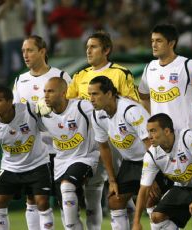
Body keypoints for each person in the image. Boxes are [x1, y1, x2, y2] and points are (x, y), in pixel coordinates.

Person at [66, 31, 139, 229]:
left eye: (94, 46)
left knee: (122, 190)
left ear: (106, 50)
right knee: (93, 188)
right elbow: (69, 107)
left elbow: (133, 104)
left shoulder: (119, 73)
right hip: (86, 142)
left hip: (115, 140)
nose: (88, 50)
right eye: (87, 47)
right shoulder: (80, 75)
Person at [12, 35, 71, 229]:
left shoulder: (61, 77)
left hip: (60, 148)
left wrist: (53, 109)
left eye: (30, 50)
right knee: (33, 199)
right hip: (34, 151)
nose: (25, 55)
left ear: (42, 51)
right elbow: (16, 114)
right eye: (23, 51)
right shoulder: (20, 80)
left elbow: (72, 110)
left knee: (65, 197)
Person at [132, 113, 192, 230]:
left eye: (153, 131)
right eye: (148, 131)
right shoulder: (151, 154)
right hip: (183, 186)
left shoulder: (187, 138)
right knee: (157, 217)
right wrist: (136, 222)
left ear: (166, 131)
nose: (149, 136)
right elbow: (144, 189)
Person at [0, 86, 53, 230]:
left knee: (41, 202)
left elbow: (47, 127)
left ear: (10, 102)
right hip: (10, 167)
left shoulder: (30, 110)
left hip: (37, 164)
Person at [89, 76, 153, 229]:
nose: (91, 99)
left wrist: (154, 177)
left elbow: (151, 144)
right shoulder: (97, 116)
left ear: (110, 94)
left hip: (151, 160)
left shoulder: (131, 110)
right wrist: (112, 180)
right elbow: (103, 147)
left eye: (95, 94)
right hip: (130, 163)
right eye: (89, 94)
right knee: (114, 200)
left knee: (153, 201)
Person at [40, 77, 99, 228]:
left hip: (84, 158)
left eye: (51, 91)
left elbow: (103, 109)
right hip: (60, 163)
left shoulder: (81, 107)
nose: (46, 95)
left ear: (64, 93)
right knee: (69, 220)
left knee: (67, 187)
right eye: (45, 91)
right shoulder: (42, 113)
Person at [138, 24, 192, 130]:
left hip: (185, 135)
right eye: (152, 41)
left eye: (159, 41)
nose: (154, 45)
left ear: (171, 43)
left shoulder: (188, 65)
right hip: (160, 137)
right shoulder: (149, 67)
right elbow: (143, 97)